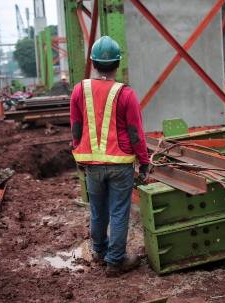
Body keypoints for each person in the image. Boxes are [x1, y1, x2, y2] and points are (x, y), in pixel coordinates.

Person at [70, 36, 151, 277]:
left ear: (93, 64)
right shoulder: (126, 93)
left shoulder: (79, 89)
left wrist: (80, 158)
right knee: (118, 212)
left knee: (97, 210)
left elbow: (76, 128)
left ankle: (99, 250)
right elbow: (135, 134)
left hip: (92, 165)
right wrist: (145, 162)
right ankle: (115, 261)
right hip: (121, 164)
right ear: (117, 65)